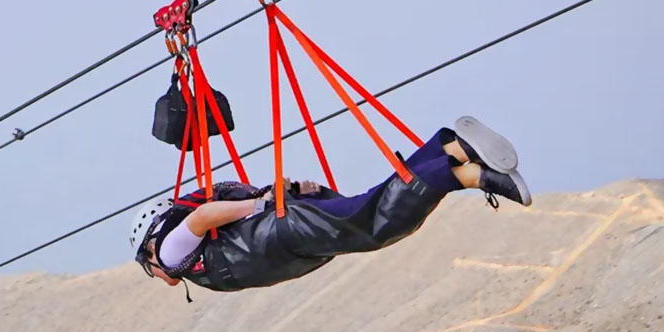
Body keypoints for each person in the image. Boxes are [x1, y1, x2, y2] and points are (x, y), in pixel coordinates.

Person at [130, 116, 531, 294]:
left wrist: (262, 205)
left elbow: (203, 216)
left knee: (376, 225)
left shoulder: (169, 252)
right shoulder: (195, 259)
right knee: (371, 208)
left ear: (150, 249)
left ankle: (470, 174)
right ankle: (451, 148)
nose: (158, 276)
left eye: (149, 270)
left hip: (284, 231)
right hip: (287, 230)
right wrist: (274, 199)